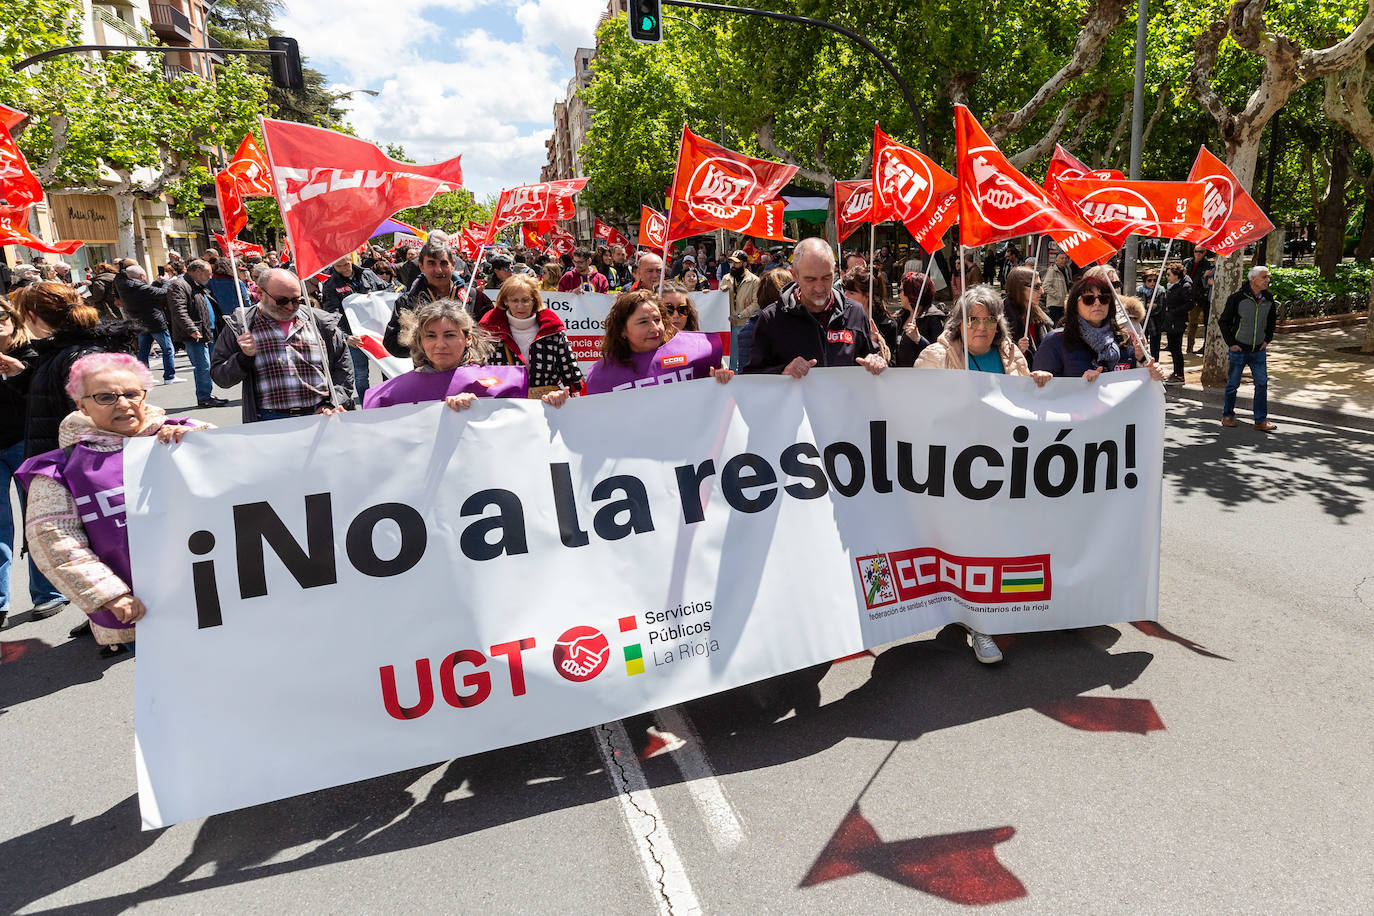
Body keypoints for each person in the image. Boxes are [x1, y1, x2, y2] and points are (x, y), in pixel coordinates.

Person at [17, 353, 209, 656]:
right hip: (142, 609)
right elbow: (57, 543)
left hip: (213, 593)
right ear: (82, 405)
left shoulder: (181, 433)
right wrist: (110, 596)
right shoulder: (60, 471)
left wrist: (203, 442)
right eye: (105, 397)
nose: (123, 404)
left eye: (131, 393)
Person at [913, 286, 1052, 663]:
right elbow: (914, 411)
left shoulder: (1010, 355)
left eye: (990, 319)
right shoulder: (937, 356)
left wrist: (1036, 382)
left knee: (996, 544)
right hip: (956, 472)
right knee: (968, 547)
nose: (982, 327)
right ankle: (980, 625)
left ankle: (985, 612)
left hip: (1004, 468)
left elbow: (1027, 406)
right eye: (973, 319)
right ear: (960, 323)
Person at [0, 296, 69, 624]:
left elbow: (41, 400)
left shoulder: (31, 354)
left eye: (3, 318)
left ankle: (48, 593)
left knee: (38, 520)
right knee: (0, 527)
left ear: (15, 321)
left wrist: (18, 373)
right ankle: (1, 602)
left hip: (24, 444)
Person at [210, 268, 355, 422]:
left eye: (296, 300)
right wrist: (243, 358)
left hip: (320, 416)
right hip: (269, 421)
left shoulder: (319, 322)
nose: (290, 307)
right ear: (260, 294)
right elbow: (220, 377)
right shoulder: (243, 325)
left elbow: (344, 368)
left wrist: (332, 403)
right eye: (282, 301)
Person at [742, 237, 887, 378]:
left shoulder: (855, 312)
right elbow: (752, 377)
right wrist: (783, 372)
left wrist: (875, 361)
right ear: (794, 276)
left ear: (835, 272)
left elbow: (868, 357)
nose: (819, 288)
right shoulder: (771, 318)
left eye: (826, 278)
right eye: (810, 279)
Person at [364, 299, 544, 410]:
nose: (440, 344)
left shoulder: (502, 384)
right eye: (431, 336)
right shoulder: (388, 395)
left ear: (468, 339)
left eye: (450, 335)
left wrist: (553, 404)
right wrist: (340, 423)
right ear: (419, 341)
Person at [584, 289, 731, 394]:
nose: (654, 328)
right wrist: (561, 400)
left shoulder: (701, 352)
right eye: (643, 322)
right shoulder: (600, 375)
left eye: (657, 319)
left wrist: (721, 381)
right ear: (622, 329)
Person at [1033, 275, 1165, 382]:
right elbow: (1041, 393)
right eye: (1088, 299)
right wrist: (1079, 384)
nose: (1097, 303)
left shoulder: (1123, 338)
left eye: (1104, 298)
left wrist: (1146, 367)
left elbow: (1132, 384)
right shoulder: (1055, 341)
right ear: (1074, 305)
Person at [480, 274, 584, 399]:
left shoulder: (553, 331)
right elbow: (478, 373)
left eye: (525, 300)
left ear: (534, 300)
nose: (520, 306)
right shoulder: (489, 332)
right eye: (514, 300)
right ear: (505, 301)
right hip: (504, 408)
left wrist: (573, 400)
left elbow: (572, 376)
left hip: (547, 406)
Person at [321, 255, 390, 402]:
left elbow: (388, 289)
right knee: (361, 373)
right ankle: (366, 403)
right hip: (355, 335)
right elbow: (333, 315)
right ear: (333, 266)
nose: (345, 268)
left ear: (351, 260)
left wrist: (377, 296)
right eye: (340, 266)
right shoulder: (330, 285)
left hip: (378, 331)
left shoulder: (367, 273)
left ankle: (387, 399)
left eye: (347, 264)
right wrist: (345, 337)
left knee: (387, 367)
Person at [383, 240, 467, 358]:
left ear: (453, 265)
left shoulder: (470, 296)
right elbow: (392, 344)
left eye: (443, 263)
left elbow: (492, 334)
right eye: (431, 263)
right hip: (426, 371)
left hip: (467, 371)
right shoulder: (408, 301)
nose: (438, 270)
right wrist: (423, 341)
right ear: (421, 266)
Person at [1219, 265, 1277, 431]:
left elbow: (1272, 321)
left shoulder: (1268, 298)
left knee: (1262, 383)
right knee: (1232, 384)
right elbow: (1223, 321)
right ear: (1253, 279)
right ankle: (1227, 415)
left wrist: (1267, 340)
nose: (1268, 280)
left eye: (1268, 277)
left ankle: (1260, 420)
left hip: (1258, 351)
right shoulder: (1237, 298)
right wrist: (1232, 343)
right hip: (1239, 350)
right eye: (1264, 277)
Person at [166, 259, 228, 408]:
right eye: (208, 274)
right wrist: (191, 328)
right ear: (198, 272)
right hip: (195, 332)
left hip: (206, 330)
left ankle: (207, 394)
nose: (211, 277)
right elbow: (178, 310)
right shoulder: (179, 285)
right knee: (203, 365)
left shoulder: (197, 285)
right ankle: (204, 397)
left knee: (209, 364)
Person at [116, 262, 180, 385]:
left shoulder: (124, 285)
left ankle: (145, 378)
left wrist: (157, 283)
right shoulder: (140, 287)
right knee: (167, 348)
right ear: (141, 276)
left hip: (139, 321)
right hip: (154, 321)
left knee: (143, 351)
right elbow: (163, 292)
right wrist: (166, 281)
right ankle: (169, 376)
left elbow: (152, 291)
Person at [839, 266, 896, 362]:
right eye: (845, 291)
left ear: (867, 295)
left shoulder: (888, 325)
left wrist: (876, 344)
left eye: (852, 293)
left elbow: (892, 366)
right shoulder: (840, 320)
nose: (845, 296)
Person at [1001, 265, 1053, 364]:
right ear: (1019, 288)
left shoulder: (1039, 315)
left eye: (1040, 286)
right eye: (1036, 287)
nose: (1042, 291)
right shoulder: (1002, 317)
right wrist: (1018, 351)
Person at [720, 250, 759, 371]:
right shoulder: (726, 278)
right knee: (730, 359)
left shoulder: (754, 280)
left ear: (744, 264)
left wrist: (740, 315)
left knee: (744, 359)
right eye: (732, 262)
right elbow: (718, 300)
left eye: (736, 263)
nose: (733, 265)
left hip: (745, 324)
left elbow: (756, 303)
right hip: (728, 325)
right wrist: (720, 291)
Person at [894, 272, 944, 368]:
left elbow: (940, 355)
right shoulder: (900, 316)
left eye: (900, 290)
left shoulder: (933, 318)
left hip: (922, 377)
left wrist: (918, 339)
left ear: (911, 293)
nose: (899, 295)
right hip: (899, 377)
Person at [1160, 262, 1193, 383]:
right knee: (1173, 348)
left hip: (1177, 321)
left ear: (1176, 275)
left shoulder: (1185, 287)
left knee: (1176, 348)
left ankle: (1179, 374)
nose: (1167, 277)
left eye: (1169, 274)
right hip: (1171, 321)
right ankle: (1176, 371)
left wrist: (1173, 311)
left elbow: (1189, 304)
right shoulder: (1173, 286)